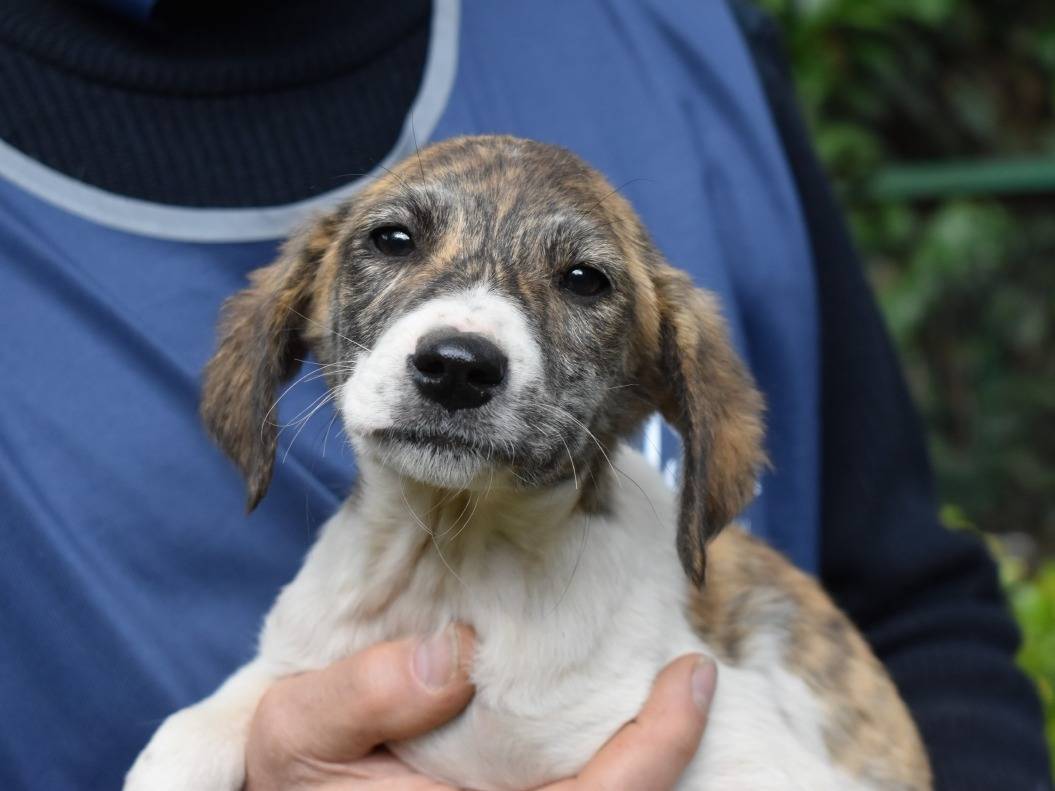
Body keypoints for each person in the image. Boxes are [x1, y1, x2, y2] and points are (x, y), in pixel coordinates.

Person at [0, 1, 1049, 789]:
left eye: (582, 281)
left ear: (658, 380)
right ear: (298, 323)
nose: (464, 343)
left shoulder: (679, 30)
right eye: (398, 242)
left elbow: (916, 606)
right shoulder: (318, 612)